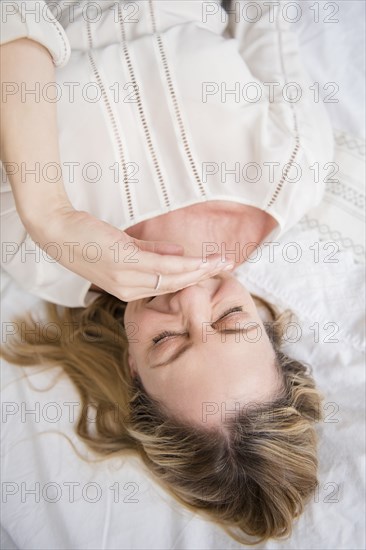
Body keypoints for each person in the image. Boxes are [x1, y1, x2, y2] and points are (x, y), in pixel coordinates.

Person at [0, 0, 332, 545]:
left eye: (169, 342)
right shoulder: (295, 170)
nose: (189, 301)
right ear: (266, 320)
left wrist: (51, 219)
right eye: (230, 321)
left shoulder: (37, 255)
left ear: (132, 366)